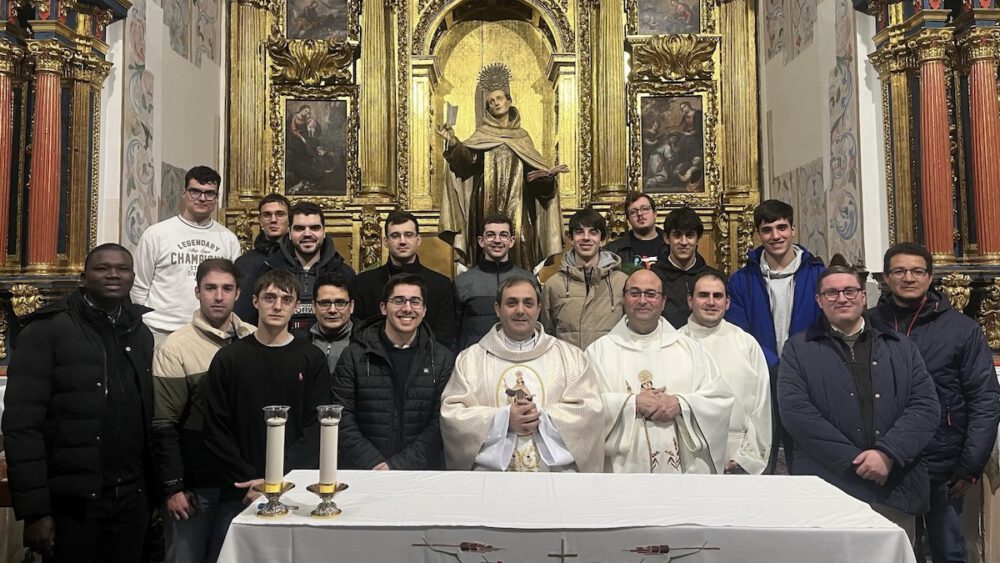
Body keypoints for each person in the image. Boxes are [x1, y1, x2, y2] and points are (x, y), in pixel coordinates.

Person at [3, 244, 157, 562]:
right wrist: (36, 512)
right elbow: (22, 426)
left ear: (132, 277)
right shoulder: (45, 331)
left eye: (123, 268)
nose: (113, 274)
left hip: (131, 496)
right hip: (73, 502)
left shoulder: (139, 332)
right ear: (83, 277)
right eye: (103, 268)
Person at [778, 256, 940, 540]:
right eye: (832, 292)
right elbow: (796, 413)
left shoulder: (900, 347)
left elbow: (925, 406)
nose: (842, 298)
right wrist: (855, 461)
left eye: (850, 291)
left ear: (864, 297)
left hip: (894, 485)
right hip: (827, 486)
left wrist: (887, 455)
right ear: (819, 300)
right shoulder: (798, 349)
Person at [869, 242, 1000, 562]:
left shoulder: (962, 329)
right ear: (886, 278)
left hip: (943, 463)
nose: (908, 278)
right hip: (886, 461)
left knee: (949, 550)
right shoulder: (867, 325)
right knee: (891, 551)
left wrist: (970, 464)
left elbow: (984, 398)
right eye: (899, 271)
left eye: (917, 271)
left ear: (930, 277)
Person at [200, 269, 330, 560]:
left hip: (293, 487)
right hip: (240, 489)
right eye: (270, 297)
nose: (277, 305)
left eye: (286, 299)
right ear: (255, 301)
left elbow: (315, 428)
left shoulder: (312, 358)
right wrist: (254, 481)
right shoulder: (229, 358)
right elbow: (216, 426)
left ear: (296, 306)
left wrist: (277, 481)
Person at [440, 277, 603, 472]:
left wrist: (541, 418)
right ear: (497, 309)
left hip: (554, 479)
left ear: (539, 309)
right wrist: (505, 419)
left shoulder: (570, 357)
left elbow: (590, 411)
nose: (520, 310)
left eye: (528, 303)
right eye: (511, 303)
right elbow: (452, 416)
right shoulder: (470, 360)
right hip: (491, 481)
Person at [152, 258, 255, 563]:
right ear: (197, 291)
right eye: (210, 288)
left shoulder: (254, 338)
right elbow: (163, 424)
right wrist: (173, 487)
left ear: (238, 293)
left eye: (227, 288)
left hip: (243, 481)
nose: (219, 296)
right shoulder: (176, 347)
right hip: (197, 486)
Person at [586, 270, 734, 474]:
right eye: (635, 293)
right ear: (624, 299)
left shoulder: (689, 349)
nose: (643, 300)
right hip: (622, 473)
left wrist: (680, 404)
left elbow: (719, 399)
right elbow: (584, 407)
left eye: (651, 294)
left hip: (681, 474)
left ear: (663, 301)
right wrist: (632, 403)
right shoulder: (598, 352)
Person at [436, 62, 568, 269]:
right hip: (485, 201)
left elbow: (538, 185)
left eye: (499, 98)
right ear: (487, 108)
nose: (495, 103)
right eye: (490, 102)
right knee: (488, 242)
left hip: (519, 203)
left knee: (522, 242)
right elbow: (466, 165)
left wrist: (546, 179)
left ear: (509, 101)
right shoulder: (482, 135)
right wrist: (453, 142)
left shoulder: (523, 137)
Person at [332, 273, 454, 470]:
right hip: (364, 471)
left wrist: (398, 466)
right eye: (398, 301)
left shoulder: (441, 359)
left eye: (415, 302)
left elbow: (440, 422)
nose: (407, 308)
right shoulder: (354, 355)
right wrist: (373, 462)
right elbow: (341, 415)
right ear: (383, 308)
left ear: (424, 310)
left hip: (420, 472)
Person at [131, 166, 242, 347]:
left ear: (216, 198)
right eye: (195, 192)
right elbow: (139, 286)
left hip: (211, 331)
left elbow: (233, 287)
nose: (202, 198)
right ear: (184, 192)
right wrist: (147, 320)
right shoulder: (156, 234)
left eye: (209, 193)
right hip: (161, 331)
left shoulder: (228, 239)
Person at [680, 271, 772, 475]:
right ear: (690, 300)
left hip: (737, 453)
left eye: (718, 296)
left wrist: (747, 458)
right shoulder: (674, 344)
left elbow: (762, 406)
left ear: (728, 302)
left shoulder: (746, 343)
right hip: (688, 454)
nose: (711, 302)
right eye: (703, 295)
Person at [726, 199, 825, 369]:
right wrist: (773, 366)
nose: (775, 236)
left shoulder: (818, 276)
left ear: (792, 229)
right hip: (760, 369)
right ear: (758, 234)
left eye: (781, 227)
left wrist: (799, 364)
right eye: (767, 230)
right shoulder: (741, 281)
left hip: (810, 367)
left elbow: (826, 326)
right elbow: (739, 334)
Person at [351, 211, 457, 349]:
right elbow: (360, 333)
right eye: (395, 236)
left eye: (408, 235)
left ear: (418, 240)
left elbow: (444, 337)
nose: (402, 241)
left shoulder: (441, 285)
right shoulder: (363, 283)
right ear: (385, 241)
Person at [251, 201, 355, 330]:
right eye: (299, 228)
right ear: (289, 232)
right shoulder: (269, 269)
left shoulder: (343, 273)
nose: (307, 234)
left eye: (314, 228)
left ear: (324, 231)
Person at [541, 208, 628, 350]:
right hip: (569, 367)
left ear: (602, 240)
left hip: (609, 367)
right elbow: (547, 335)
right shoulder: (554, 284)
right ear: (571, 239)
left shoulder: (621, 282)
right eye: (580, 232)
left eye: (593, 232)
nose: (586, 238)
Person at [454, 212, 536, 351]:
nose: (497, 240)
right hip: (477, 360)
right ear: (481, 241)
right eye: (491, 235)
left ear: (511, 241)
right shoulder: (462, 282)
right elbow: (453, 332)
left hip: (519, 358)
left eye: (503, 235)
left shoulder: (528, 280)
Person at [651, 206, 720, 329]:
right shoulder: (653, 277)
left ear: (698, 239)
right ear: (667, 238)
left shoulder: (713, 278)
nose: (683, 242)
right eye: (677, 235)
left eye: (689, 235)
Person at [233, 193, 290, 323]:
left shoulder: (300, 258)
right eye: (267, 215)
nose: (273, 220)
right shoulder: (245, 262)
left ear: (290, 219)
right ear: (260, 220)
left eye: (280, 214)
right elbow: (240, 311)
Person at [604, 192, 667, 273]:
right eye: (633, 212)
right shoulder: (613, 251)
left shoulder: (670, 245)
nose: (640, 214)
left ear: (655, 213)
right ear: (628, 219)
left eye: (645, 209)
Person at [309, 272, 355, 373]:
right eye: (325, 303)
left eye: (340, 303)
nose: (332, 310)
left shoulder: (366, 343)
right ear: (313, 307)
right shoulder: (300, 342)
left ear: (351, 306)